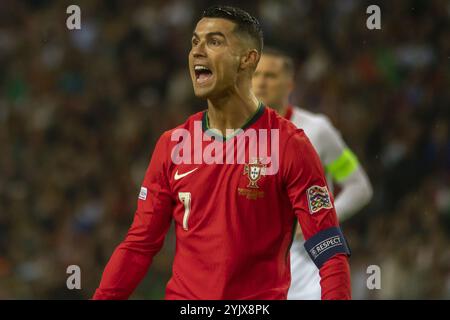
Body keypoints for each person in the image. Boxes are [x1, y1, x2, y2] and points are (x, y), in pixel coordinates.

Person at [93, 5, 351, 300]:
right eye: (194, 42)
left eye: (214, 41)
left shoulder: (290, 145)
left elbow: (329, 252)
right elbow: (139, 246)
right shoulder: (172, 145)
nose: (197, 51)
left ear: (247, 60)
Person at [253, 47, 373, 299]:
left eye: (271, 76)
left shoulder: (317, 130)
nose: (261, 82)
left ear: (289, 84)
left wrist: (321, 221)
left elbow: (359, 186)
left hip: (308, 267)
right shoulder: (236, 135)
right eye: (256, 75)